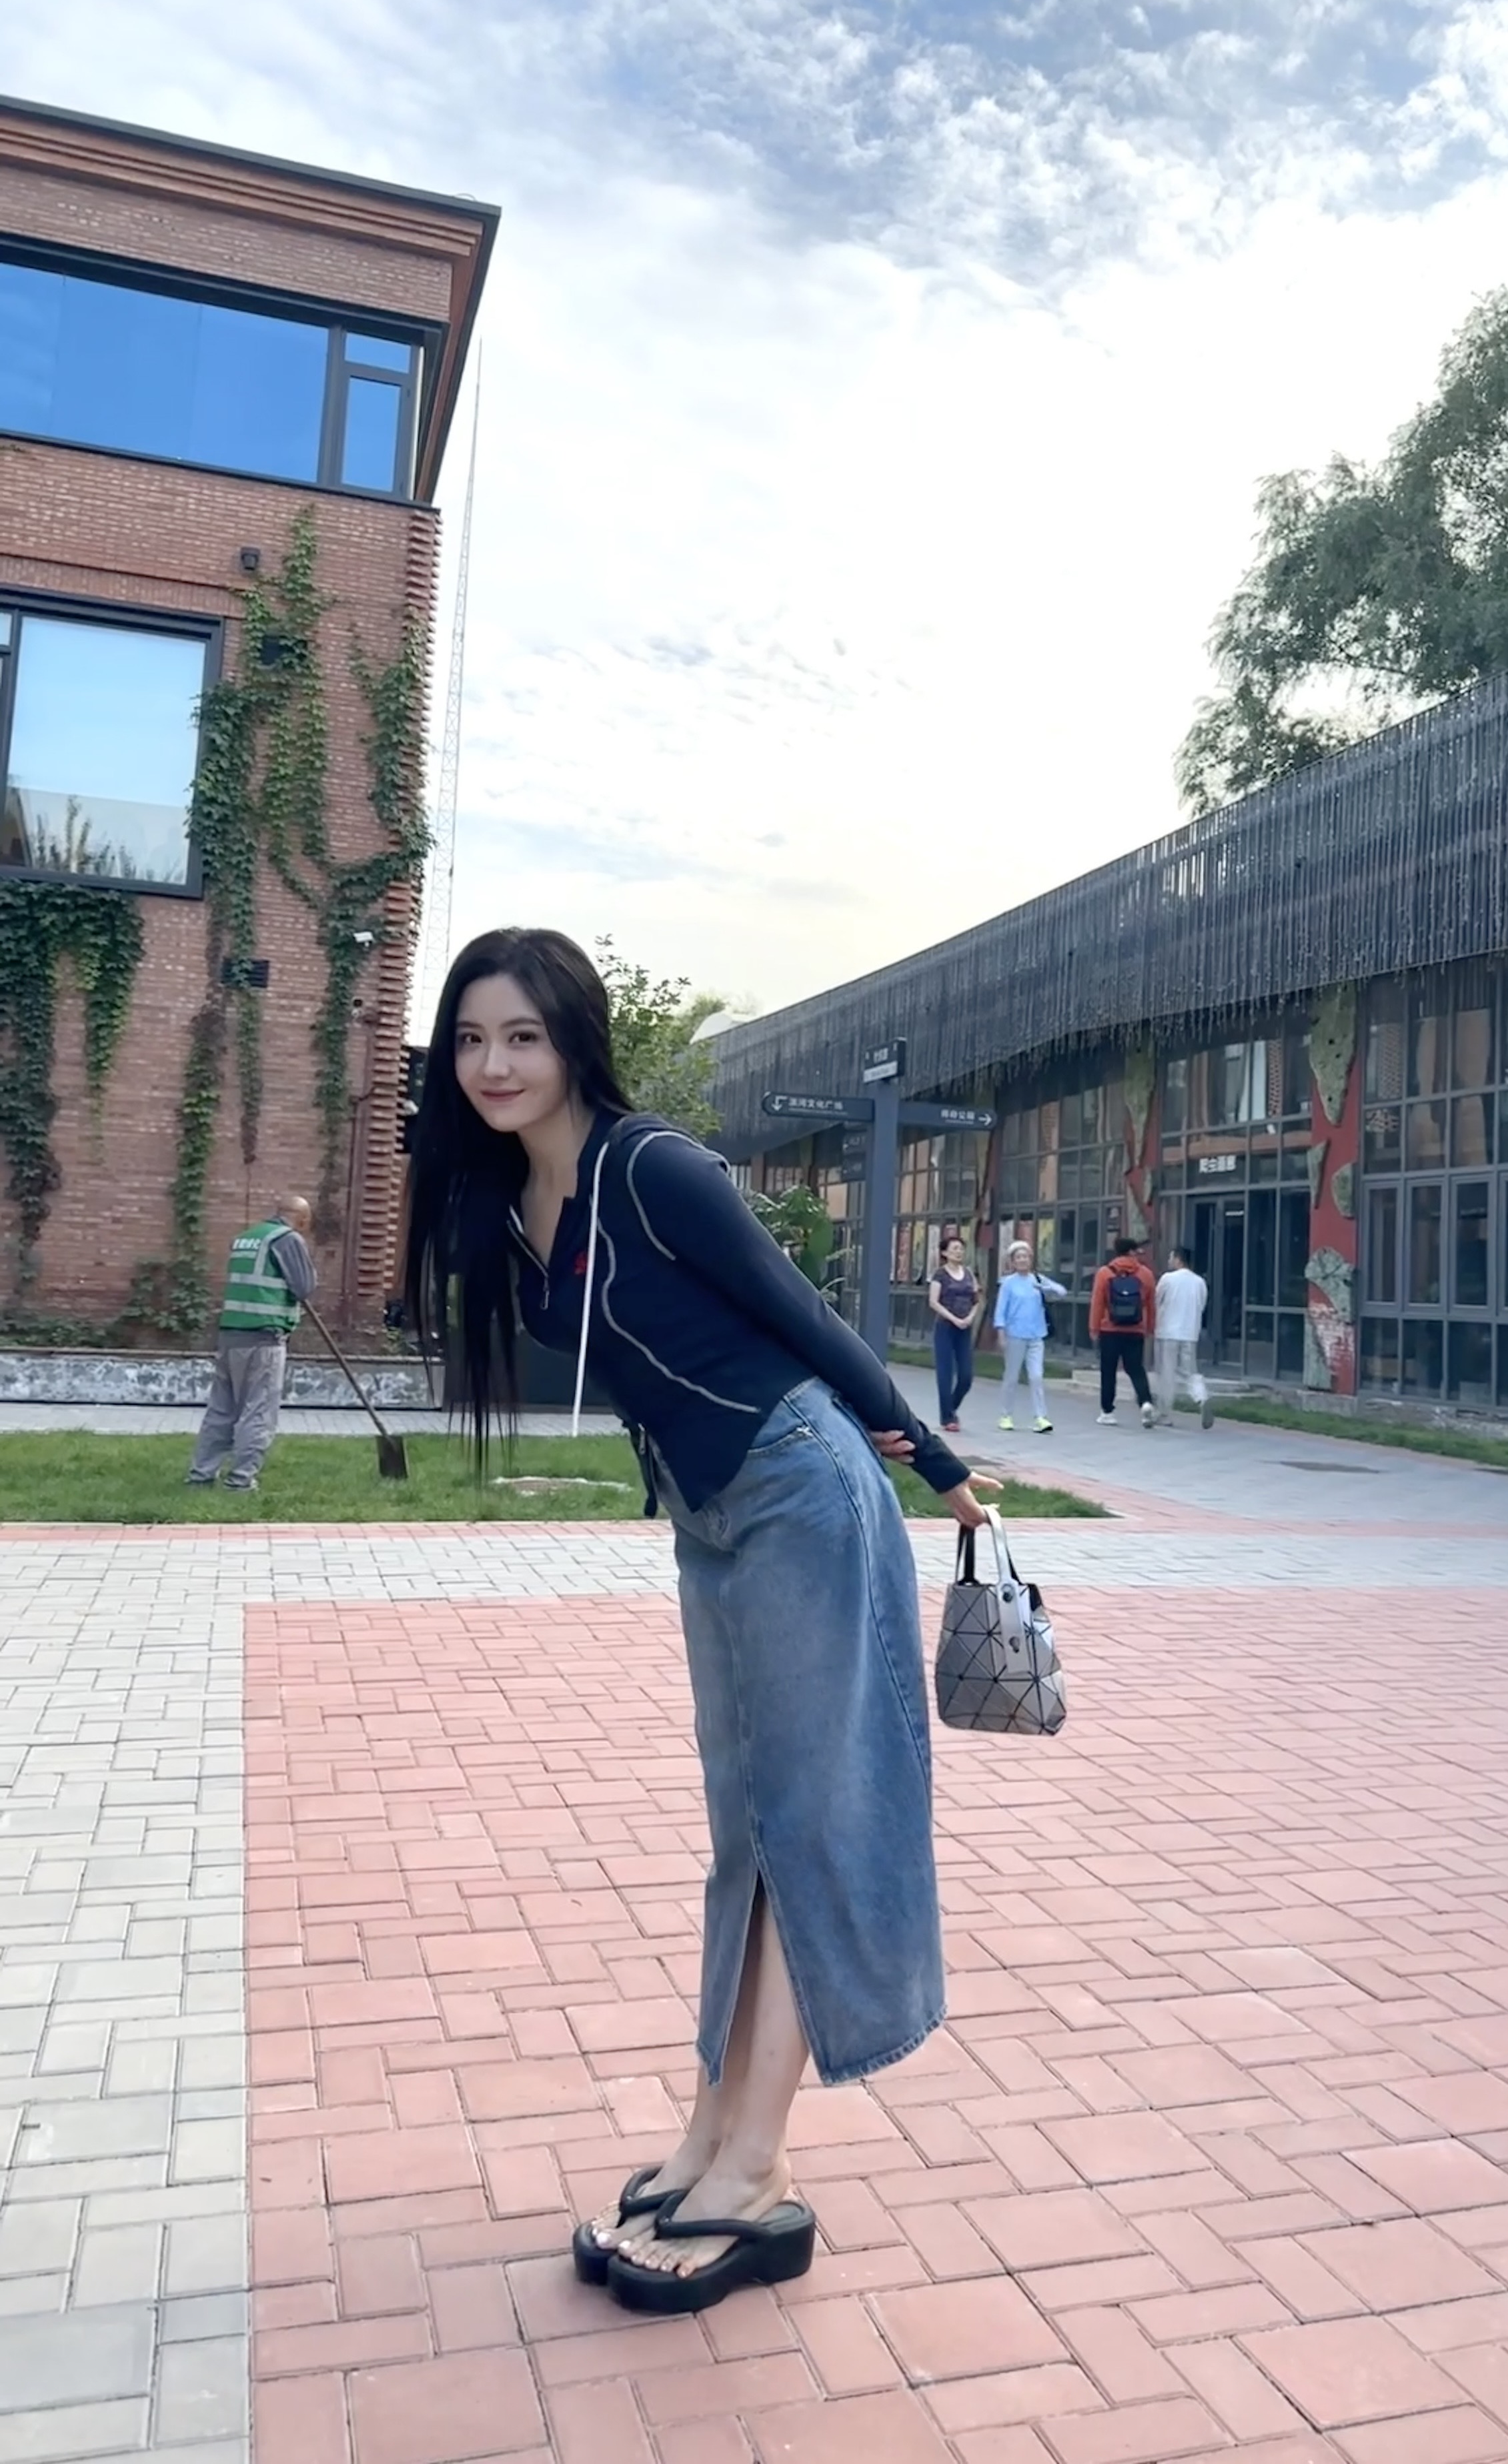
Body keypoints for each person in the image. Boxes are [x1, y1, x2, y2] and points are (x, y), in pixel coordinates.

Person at [404, 928, 996, 2318]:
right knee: (746, 1827)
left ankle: (757, 2167)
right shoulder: (511, 1199)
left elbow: (800, 1314)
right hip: (710, 1511)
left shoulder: (652, 1167)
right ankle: (707, 2135)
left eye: (522, 1036)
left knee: (803, 1821)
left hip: (798, 1487)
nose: (493, 1064)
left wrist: (934, 1460)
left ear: (574, 1040)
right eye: (471, 1039)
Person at [185, 1195, 317, 1490]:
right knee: (258, 1411)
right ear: (302, 1218)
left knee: (221, 1410)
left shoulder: (247, 1238)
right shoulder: (287, 1239)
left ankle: (201, 1476)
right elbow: (305, 1287)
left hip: (231, 1334)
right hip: (264, 1338)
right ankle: (241, 1481)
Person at [992, 1240, 1067, 1432]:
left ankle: (1040, 1417)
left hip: (1036, 1335)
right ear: (1013, 1261)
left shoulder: (1038, 1280)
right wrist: (1001, 1334)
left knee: (1036, 1376)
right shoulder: (1008, 1284)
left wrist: (1045, 1289)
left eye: (1025, 1256)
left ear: (1031, 1259)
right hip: (1015, 1335)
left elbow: (1062, 1292)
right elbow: (1001, 1311)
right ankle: (1006, 1415)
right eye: (1018, 1257)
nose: (1022, 1260)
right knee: (1012, 1376)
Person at [1089, 1236, 1157, 1428]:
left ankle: (1108, 1412)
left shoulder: (1105, 1273)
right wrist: (1150, 1327)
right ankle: (1146, 1402)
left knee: (1108, 1370)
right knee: (1136, 1369)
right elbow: (1151, 1305)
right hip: (1135, 1329)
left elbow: (1097, 1303)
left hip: (1109, 1329)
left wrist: (1094, 1328)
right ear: (1132, 1252)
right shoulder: (1146, 1274)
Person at [1153, 1244, 1214, 1426]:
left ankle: (1165, 1414)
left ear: (1178, 1259)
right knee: (1190, 1372)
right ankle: (1202, 1397)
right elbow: (1201, 1305)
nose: (1169, 1261)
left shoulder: (1167, 1279)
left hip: (1167, 1332)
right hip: (1189, 1333)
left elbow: (1157, 1300)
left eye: (1171, 1257)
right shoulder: (1199, 1282)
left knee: (1167, 1374)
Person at [926, 1235, 981, 1432]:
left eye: (961, 1249)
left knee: (966, 1376)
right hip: (945, 1327)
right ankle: (947, 1417)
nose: (959, 1252)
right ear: (945, 1253)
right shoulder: (940, 1275)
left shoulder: (969, 1274)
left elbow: (976, 1300)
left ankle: (951, 1408)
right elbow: (934, 1302)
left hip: (964, 1329)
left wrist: (970, 1318)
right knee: (945, 1374)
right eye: (955, 1249)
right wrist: (953, 1319)